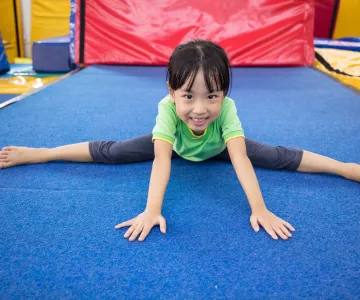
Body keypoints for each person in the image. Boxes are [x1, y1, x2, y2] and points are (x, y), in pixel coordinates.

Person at [1, 40, 359, 242]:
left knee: (275, 155)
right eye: (188, 96)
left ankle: (343, 168)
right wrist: (152, 209)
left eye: (212, 96)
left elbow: (241, 160)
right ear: (171, 92)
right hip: (175, 145)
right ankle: (41, 153)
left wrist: (259, 208)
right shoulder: (168, 111)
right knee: (116, 151)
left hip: (217, 148)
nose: (201, 109)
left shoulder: (227, 111)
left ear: (224, 94)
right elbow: (161, 160)